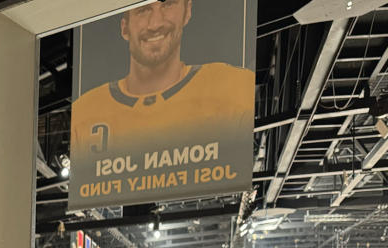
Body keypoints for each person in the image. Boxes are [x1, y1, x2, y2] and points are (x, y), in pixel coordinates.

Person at [70, 0, 252, 174]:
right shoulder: (85, 112)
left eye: (168, 4)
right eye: (142, 10)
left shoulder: (230, 88)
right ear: (125, 28)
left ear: (187, 11)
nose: (155, 23)